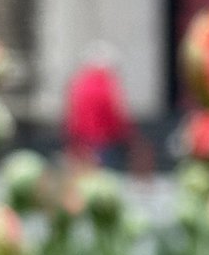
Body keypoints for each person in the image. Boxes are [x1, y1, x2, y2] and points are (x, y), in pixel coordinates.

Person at [62, 43, 152, 173]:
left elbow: (71, 118)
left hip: (82, 145)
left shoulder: (77, 83)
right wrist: (130, 138)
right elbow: (116, 116)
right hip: (105, 145)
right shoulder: (106, 83)